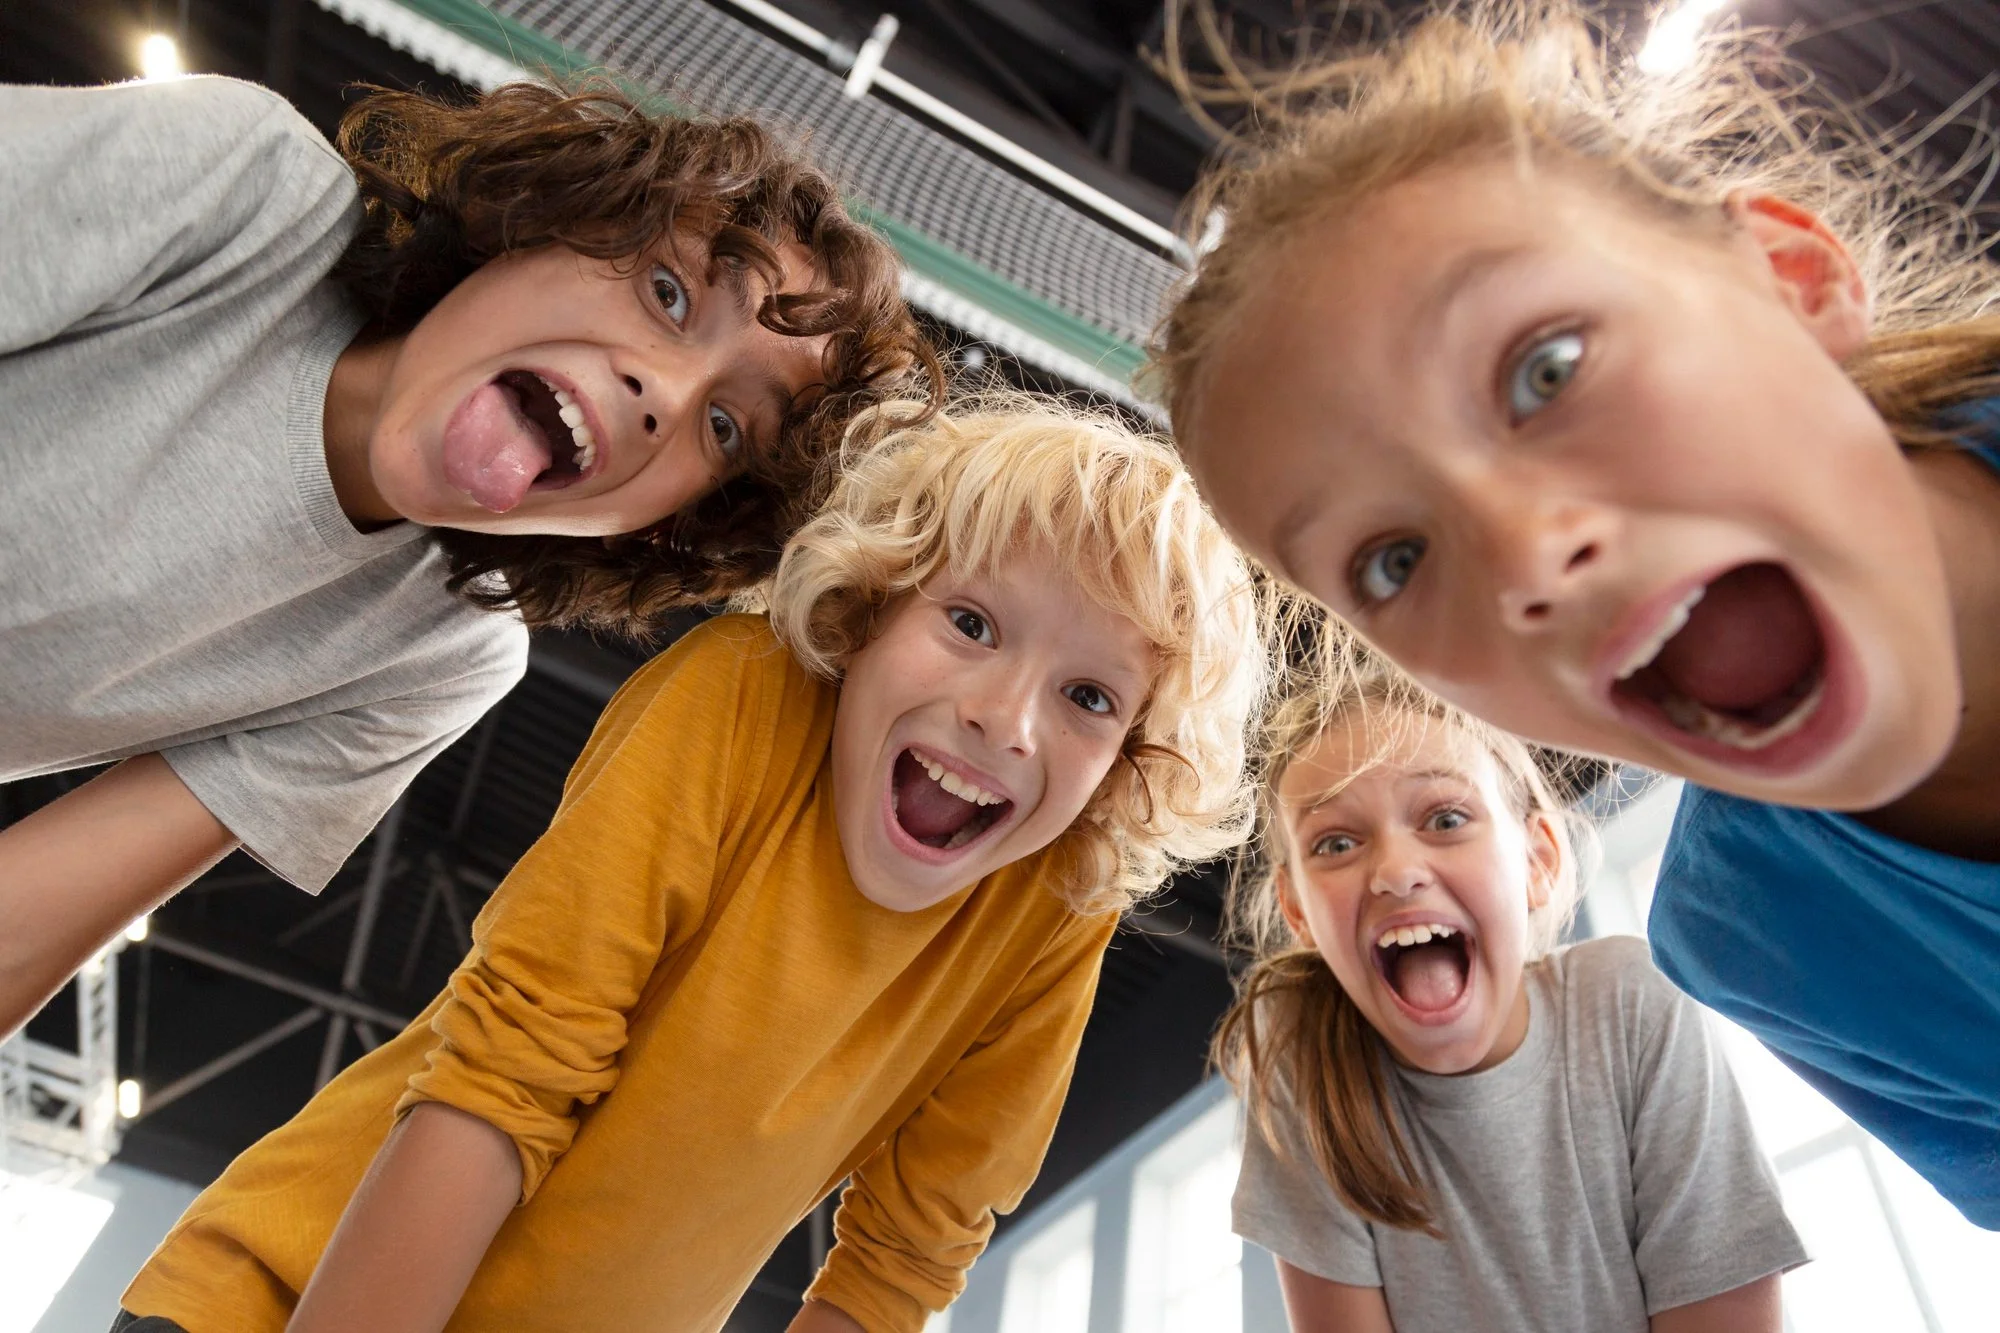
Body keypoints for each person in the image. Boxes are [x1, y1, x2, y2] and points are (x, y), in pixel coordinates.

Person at [114, 398, 1272, 1333]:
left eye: (1088, 697)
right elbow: (511, 1068)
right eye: (971, 622)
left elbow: (902, 1261)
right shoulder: (737, 698)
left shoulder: (1051, 905)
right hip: (281, 1299)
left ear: (1130, 755)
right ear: (873, 604)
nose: (1005, 722)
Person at [1150, 0, 2000, 1225]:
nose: (1521, 558)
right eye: (1392, 560)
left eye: (1545, 370)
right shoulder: (1749, 933)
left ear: (1789, 279)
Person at [0, 73, 933, 1041]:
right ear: (540, 222)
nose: (663, 389)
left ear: (659, 523)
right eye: (667, 292)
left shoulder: (438, 664)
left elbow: (22, 929)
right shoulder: (238, 185)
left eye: (726, 427)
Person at [1219, 649, 1806, 1332]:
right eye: (1336, 842)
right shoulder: (1306, 1082)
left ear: (1538, 859)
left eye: (1444, 819)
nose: (1395, 870)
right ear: (1299, 913)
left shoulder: (1630, 1003)